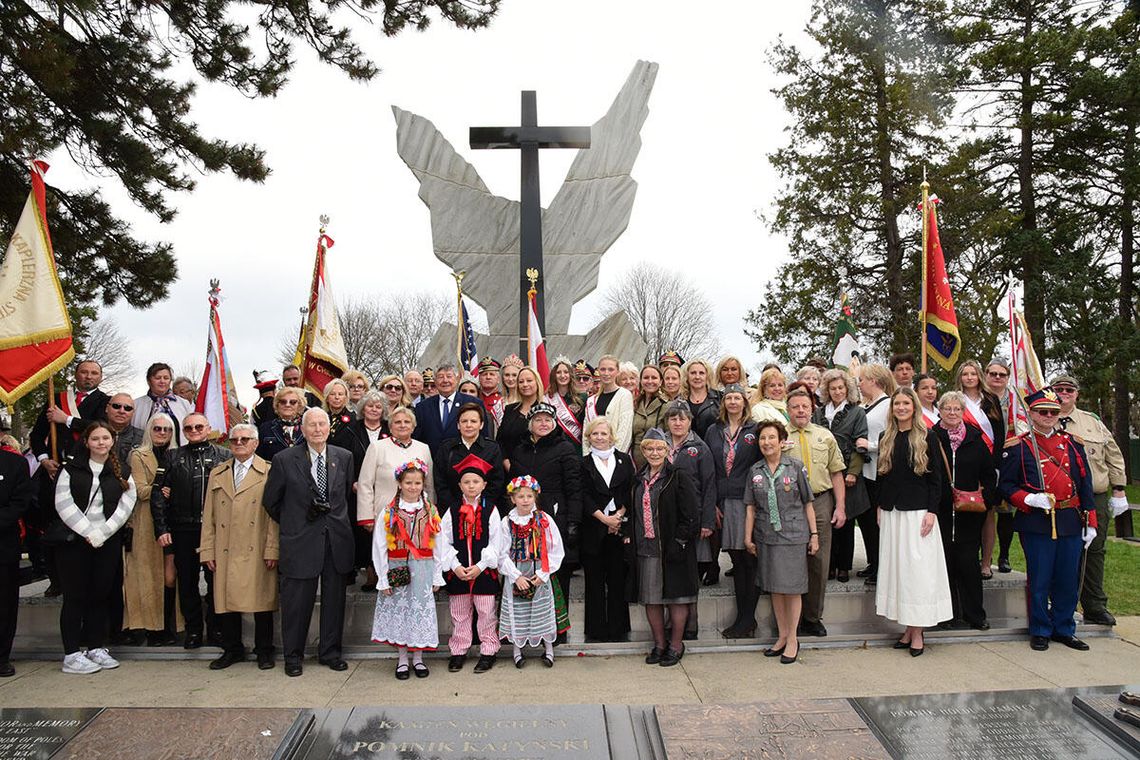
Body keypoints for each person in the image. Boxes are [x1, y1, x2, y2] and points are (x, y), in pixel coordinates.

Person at [999, 388, 1096, 652]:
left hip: (1070, 518)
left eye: (1053, 412)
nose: (1049, 416)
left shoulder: (1073, 444)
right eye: (1043, 412)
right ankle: (1040, 628)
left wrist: (1092, 521)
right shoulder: (1019, 446)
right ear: (1031, 414)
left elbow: (1084, 483)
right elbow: (1005, 485)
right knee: (1040, 579)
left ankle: (1064, 627)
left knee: (1067, 579)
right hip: (1038, 521)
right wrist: (1028, 499)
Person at [263, 408, 355, 676]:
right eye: (312, 425)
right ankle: (293, 656)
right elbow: (271, 501)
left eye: (322, 424)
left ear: (329, 428)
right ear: (302, 430)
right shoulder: (283, 459)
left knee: (334, 602)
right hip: (300, 541)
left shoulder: (344, 457)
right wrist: (297, 520)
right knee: (296, 603)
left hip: (335, 541)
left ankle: (330, 652)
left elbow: (344, 498)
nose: (317, 429)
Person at [52, 422, 137, 674]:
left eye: (105, 438)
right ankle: (71, 654)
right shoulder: (71, 469)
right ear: (87, 442)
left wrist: (103, 532)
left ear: (112, 441)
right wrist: (89, 532)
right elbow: (62, 503)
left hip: (106, 541)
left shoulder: (122, 470)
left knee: (100, 596)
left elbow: (126, 504)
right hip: (75, 543)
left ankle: (95, 647)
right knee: (75, 598)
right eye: (95, 439)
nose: (101, 443)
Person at [875, 387, 951, 655]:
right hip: (892, 513)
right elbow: (883, 476)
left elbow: (936, 479)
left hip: (919, 514)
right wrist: (880, 506)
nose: (901, 408)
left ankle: (918, 633)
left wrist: (932, 511)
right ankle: (907, 629)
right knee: (900, 572)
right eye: (897, 403)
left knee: (917, 573)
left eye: (906, 403)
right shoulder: (886, 436)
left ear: (914, 406)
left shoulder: (927, 436)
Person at [200, 424, 279, 670]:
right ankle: (232, 649)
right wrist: (207, 549)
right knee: (225, 600)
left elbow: (274, 516)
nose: (239, 443)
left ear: (256, 443)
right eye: (234, 440)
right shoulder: (218, 473)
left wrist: (272, 549)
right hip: (225, 546)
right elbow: (209, 515)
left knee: (262, 600)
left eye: (245, 439)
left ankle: (264, 650)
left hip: (256, 544)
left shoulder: (269, 471)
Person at [151, 412, 233, 649]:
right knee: (186, 583)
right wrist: (161, 528)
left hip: (216, 530)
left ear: (208, 428)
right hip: (183, 529)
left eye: (199, 426)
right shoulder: (172, 456)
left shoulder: (225, 456)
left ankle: (216, 629)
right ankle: (194, 630)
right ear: (184, 432)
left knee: (216, 582)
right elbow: (158, 494)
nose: (194, 430)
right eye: (189, 428)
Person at [1052, 374, 1128, 627]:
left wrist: (1119, 489)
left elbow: (1113, 455)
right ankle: (1062, 604)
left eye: (1069, 389)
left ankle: (1095, 605)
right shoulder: (1043, 418)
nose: (1064, 393)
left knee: (1094, 552)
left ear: (1076, 394)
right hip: (1059, 501)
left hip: (1093, 497)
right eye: (1059, 389)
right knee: (1061, 553)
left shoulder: (1092, 422)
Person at [744, 420, 818, 664]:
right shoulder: (755, 471)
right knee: (775, 587)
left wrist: (814, 534)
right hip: (767, 536)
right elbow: (751, 509)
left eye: (771, 438)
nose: (767, 442)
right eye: (763, 438)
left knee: (793, 588)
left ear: (781, 440)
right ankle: (782, 635)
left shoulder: (795, 467)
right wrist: (748, 537)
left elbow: (808, 503)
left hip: (794, 535)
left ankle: (794, 638)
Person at [507, 402, 582, 637]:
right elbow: (513, 486)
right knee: (528, 573)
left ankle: (558, 629)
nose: (543, 424)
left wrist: (573, 521)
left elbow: (574, 487)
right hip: (523, 520)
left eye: (548, 420)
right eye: (538, 420)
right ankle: (530, 628)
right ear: (531, 424)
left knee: (556, 575)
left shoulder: (565, 448)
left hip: (555, 519)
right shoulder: (520, 450)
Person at [371, 459, 444, 679]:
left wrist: (437, 575)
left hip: (423, 568)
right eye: (409, 483)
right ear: (399, 483)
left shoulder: (430, 510)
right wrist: (382, 578)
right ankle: (403, 658)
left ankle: (419, 657)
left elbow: (439, 544)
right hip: (397, 566)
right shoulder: (389, 511)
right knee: (400, 612)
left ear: (423, 484)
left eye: (417, 483)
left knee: (418, 612)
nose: (413, 487)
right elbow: (379, 545)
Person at [633, 429, 700, 667]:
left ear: (668, 451)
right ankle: (659, 644)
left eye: (659, 448)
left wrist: (681, 540)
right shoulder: (638, 478)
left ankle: (675, 644)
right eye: (649, 449)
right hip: (648, 546)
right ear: (643, 451)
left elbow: (692, 512)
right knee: (652, 598)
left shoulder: (678, 475)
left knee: (676, 598)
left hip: (673, 547)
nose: (654, 453)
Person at [784, 387, 847, 637]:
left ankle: (812, 617)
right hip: (790, 503)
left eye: (805, 406)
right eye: (795, 407)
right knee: (789, 561)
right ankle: (791, 619)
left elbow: (836, 472)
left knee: (818, 560)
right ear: (787, 410)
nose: (800, 410)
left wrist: (840, 506)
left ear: (812, 409)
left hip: (821, 501)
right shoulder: (778, 436)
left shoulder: (825, 436)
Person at [934, 391, 998, 631]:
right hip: (940, 512)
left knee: (968, 563)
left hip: (970, 513)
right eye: (947, 408)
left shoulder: (975, 438)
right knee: (945, 564)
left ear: (963, 412)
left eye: (957, 409)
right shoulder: (932, 437)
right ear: (940, 410)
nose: (952, 413)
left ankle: (975, 615)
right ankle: (947, 615)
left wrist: (985, 500)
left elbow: (988, 475)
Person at [438, 455, 503, 673]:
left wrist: (481, 566)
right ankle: (459, 650)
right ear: (459, 485)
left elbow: (496, 542)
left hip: (482, 572)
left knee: (486, 612)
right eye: (466, 482)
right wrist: (455, 566)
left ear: (484, 484)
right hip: (459, 572)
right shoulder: (452, 510)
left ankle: (488, 650)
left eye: (476, 481)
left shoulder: (491, 510)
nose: (471, 486)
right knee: (460, 613)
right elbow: (443, 541)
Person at [705, 385, 761, 638]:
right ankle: (744, 618)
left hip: (747, 501)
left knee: (748, 560)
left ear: (745, 402)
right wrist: (713, 502)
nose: (733, 402)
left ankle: (747, 618)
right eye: (728, 398)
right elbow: (710, 470)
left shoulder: (755, 429)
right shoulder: (713, 430)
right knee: (737, 561)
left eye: (737, 397)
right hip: (723, 501)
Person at [493, 475, 565, 668]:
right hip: (516, 573)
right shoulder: (507, 522)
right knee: (518, 612)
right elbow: (501, 553)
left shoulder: (544, 519)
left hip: (538, 572)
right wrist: (515, 577)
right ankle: (517, 651)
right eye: (521, 496)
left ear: (535, 497)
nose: (525, 500)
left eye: (529, 496)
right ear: (513, 498)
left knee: (542, 611)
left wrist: (544, 573)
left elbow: (555, 549)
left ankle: (548, 649)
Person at [124, 416, 179, 647]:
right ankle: (150, 628)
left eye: (167, 429)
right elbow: (139, 490)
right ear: (149, 430)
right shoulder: (138, 455)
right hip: (146, 522)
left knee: (170, 576)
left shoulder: (177, 454)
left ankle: (170, 626)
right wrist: (161, 488)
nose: (162, 432)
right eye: (157, 428)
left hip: (173, 520)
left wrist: (170, 489)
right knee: (146, 577)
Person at [579, 418, 633, 643]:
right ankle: (596, 630)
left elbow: (630, 488)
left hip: (618, 528)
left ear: (611, 436)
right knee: (594, 581)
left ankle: (619, 629)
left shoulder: (624, 460)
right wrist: (604, 519)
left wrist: (618, 517)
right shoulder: (582, 463)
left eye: (603, 433)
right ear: (588, 437)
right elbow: (582, 494)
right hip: (594, 528)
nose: (599, 438)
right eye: (595, 434)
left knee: (618, 579)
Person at [813, 370, 869, 585]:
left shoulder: (857, 412)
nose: (837, 392)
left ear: (847, 389)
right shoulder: (819, 412)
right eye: (833, 388)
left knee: (845, 521)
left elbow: (860, 442)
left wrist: (853, 472)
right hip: (823, 471)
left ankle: (844, 566)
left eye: (840, 388)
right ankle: (829, 565)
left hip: (847, 471)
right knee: (827, 520)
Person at [332, 390, 389, 588]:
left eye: (378, 406)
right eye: (370, 405)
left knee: (382, 531)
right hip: (356, 491)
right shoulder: (349, 430)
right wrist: (352, 482)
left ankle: (380, 571)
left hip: (385, 491)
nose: (374, 409)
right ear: (362, 408)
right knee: (362, 532)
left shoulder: (390, 430)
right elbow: (338, 461)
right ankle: (365, 570)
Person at [956, 359, 1006, 579]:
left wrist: (995, 465)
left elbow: (1000, 434)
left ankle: (986, 562)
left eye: (973, 374)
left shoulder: (991, 400)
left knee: (987, 513)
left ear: (979, 377)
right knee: (965, 511)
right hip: (964, 464)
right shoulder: (955, 400)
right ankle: (966, 558)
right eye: (965, 374)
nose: (969, 378)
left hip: (988, 465)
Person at [663, 401, 716, 605]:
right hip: (665, 516)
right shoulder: (659, 444)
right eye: (673, 418)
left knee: (688, 570)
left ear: (690, 421)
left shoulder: (700, 447)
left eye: (682, 419)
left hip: (690, 517)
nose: (677, 423)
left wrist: (707, 521)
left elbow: (709, 485)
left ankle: (690, 623)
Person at [358, 406, 435, 530]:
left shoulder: (423, 448)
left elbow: (429, 485)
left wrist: (431, 512)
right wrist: (366, 516)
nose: (402, 425)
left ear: (413, 426)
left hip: (418, 515)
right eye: (397, 422)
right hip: (385, 514)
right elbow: (365, 484)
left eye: (407, 422)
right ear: (390, 427)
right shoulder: (377, 447)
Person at [31, 358, 109, 474]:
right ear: (76, 374)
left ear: (100, 378)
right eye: (84, 372)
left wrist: (66, 419)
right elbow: (37, 433)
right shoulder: (55, 399)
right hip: (54, 467)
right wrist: (44, 459)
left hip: (87, 468)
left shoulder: (106, 401)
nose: (88, 376)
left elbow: (99, 428)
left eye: (94, 373)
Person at [855, 363, 895, 586]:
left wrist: (870, 445)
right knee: (868, 522)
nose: (859, 384)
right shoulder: (866, 405)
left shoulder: (889, 405)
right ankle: (873, 562)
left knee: (878, 523)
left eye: (862, 380)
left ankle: (882, 567)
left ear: (874, 380)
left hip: (881, 471)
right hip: (865, 472)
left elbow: (892, 437)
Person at [434, 403, 505, 514]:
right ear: (458, 425)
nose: (468, 425)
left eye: (473, 421)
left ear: (481, 425)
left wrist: (481, 506)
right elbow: (440, 481)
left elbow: (497, 481)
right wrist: (455, 506)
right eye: (464, 421)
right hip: (452, 510)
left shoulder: (492, 448)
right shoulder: (446, 448)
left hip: (483, 510)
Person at [0, 443, 33, 677]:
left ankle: (2, 656)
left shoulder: (15, 464)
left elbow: (20, 503)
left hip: (3, 545)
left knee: (4, 604)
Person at [414, 365, 481, 456]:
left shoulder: (473, 402)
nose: (445, 380)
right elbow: (417, 439)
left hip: (465, 461)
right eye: (440, 377)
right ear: (435, 381)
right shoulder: (422, 407)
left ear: (457, 379)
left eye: (449, 376)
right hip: (431, 462)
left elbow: (482, 437)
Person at [132, 362, 194, 446]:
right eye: (158, 378)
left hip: (178, 453)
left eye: (166, 378)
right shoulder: (136, 404)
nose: (162, 381)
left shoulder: (183, 403)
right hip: (146, 454)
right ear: (149, 381)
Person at [583, 355, 635, 453]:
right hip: (593, 456)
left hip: (614, 456)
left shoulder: (624, 395)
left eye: (611, 369)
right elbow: (586, 432)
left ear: (617, 372)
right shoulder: (591, 400)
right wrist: (587, 457)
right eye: (603, 369)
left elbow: (625, 431)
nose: (606, 373)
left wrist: (614, 457)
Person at [497, 366, 545, 467]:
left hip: (539, 470)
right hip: (510, 471)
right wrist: (507, 464)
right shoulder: (510, 410)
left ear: (537, 383)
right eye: (521, 381)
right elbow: (500, 441)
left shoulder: (546, 410)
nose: (525, 384)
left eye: (529, 380)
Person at [256, 387, 307, 461]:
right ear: (277, 405)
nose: (287, 405)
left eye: (292, 402)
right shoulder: (265, 428)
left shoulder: (308, 426)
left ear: (299, 405)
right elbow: (259, 457)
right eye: (283, 402)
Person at [632, 365, 667, 467]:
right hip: (635, 460)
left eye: (654, 378)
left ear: (660, 382)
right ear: (641, 381)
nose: (650, 381)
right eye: (646, 378)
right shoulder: (636, 403)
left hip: (656, 461)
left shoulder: (666, 405)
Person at [546, 359, 585, 447]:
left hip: (577, 447)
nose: (562, 375)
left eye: (566, 372)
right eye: (558, 372)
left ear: (571, 375)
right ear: (554, 375)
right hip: (555, 447)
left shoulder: (582, 397)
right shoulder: (547, 398)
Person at [681, 358, 721, 439]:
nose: (697, 377)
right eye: (693, 373)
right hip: (686, 449)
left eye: (701, 373)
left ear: (707, 376)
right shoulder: (680, 400)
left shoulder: (720, 398)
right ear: (687, 376)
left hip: (714, 448)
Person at [105, 392, 144, 463]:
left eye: (127, 408)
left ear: (133, 413)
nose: (121, 411)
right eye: (116, 406)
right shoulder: (92, 433)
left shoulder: (142, 438)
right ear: (107, 408)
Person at [477, 358, 505, 429]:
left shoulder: (503, 400)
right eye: (484, 374)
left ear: (498, 379)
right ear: (479, 378)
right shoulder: (475, 398)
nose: (488, 377)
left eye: (492, 374)